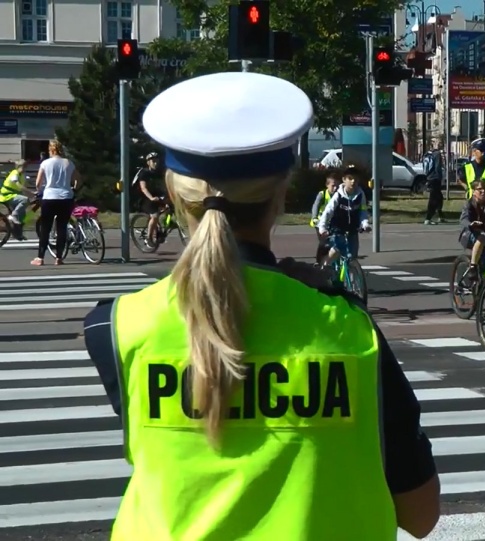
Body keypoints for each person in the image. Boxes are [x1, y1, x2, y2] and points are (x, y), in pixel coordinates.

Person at [80, 71, 440, 540]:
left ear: (172, 194)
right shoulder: (348, 328)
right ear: (280, 196)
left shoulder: (116, 327)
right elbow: (419, 514)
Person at [33, 139, 79, 266]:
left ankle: (40, 258)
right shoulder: (68, 163)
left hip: (49, 198)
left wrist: (40, 191)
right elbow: (77, 179)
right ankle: (59, 258)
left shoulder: (45, 163)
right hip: (66, 198)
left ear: (51, 150)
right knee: (62, 228)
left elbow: (38, 183)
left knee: (45, 228)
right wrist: (74, 188)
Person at [317, 165, 371, 267]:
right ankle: (324, 265)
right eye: (350, 178)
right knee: (337, 249)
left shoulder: (360, 195)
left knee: (352, 256)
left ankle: (351, 278)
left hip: (352, 229)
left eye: (355, 179)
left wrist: (365, 224)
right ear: (344, 180)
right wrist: (322, 227)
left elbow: (363, 211)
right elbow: (328, 211)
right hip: (337, 228)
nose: (353, 182)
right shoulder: (338, 195)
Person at [458, 180, 485, 280]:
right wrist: (471, 224)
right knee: (483, 237)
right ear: (473, 191)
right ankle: (473, 267)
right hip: (470, 233)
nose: (483, 192)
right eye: (479, 189)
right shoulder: (469, 204)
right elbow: (463, 219)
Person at [310, 168, 342, 265]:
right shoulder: (322, 194)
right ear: (327, 185)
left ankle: (331, 259)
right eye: (333, 186)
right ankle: (318, 261)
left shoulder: (339, 195)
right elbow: (315, 207)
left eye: (337, 185)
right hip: (320, 222)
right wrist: (314, 218)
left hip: (332, 222)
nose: (335, 188)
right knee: (324, 243)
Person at [134, 152, 166, 245]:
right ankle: (149, 238)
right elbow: (143, 188)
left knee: (169, 209)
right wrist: (151, 198)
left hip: (156, 197)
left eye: (157, 161)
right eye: (153, 161)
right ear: (148, 163)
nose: (155, 163)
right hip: (144, 198)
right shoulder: (144, 173)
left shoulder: (159, 173)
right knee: (155, 216)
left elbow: (163, 186)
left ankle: (159, 231)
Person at [0, 159, 31, 240]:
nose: (26, 168)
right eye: (24, 167)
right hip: (7, 196)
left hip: (13, 196)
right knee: (25, 200)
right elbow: (19, 186)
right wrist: (30, 193)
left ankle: (18, 234)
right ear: (19, 167)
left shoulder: (21, 175)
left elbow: (24, 186)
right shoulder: (14, 173)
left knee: (23, 215)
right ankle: (14, 215)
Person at [422, 146, 445, 225]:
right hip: (435, 178)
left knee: (439, 197)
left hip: (429, 177)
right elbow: (438, 167)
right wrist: (440, 178)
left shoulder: (427, 154)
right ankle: (428, 218)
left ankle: (441, 216)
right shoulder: (437, 154)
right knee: (433, 199)